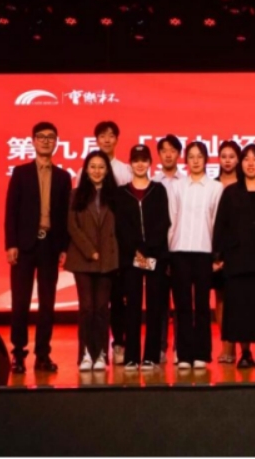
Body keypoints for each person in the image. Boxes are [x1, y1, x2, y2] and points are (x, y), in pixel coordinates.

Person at [4, 122, 71, 374]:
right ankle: (18, 353)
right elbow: (11, 210)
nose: (45, 141)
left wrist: (64, 247)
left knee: (47, 303)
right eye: (41, 137)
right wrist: (10, 243)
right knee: (20, 302)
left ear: (56, 142)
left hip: (50, 245)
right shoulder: (20, 173)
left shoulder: (63, 177)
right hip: (23, 246)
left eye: (50, 137)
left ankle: (43, 354)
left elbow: (64, 216)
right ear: (33, 141)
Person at [213, 144, 255, 368]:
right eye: (246, 159)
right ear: (240, 164)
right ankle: (244, 353)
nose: (250, 163)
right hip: (238, 260)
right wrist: (218, 256)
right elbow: (221, 226)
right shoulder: (231, 192)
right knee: (241, 310)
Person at [168, 141, 224, 370]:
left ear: (206, 159)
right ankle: (183, 354)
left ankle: (202, 353)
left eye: (199, 156)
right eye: (191, 156)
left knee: (202, 305)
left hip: (204, 251)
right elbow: (171, 219)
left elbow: (217, 223)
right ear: (186, 160)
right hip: (179, 251)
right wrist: (168, 252)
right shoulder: (177, 187)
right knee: (182, 305)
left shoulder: (215, 188)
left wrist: (217, 255)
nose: (195, 160)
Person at [115, 145, 171, 372]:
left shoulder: (158, 190)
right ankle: (131, 356)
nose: (140, 164)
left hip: (155, 256)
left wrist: (149, 250)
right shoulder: (122, 192)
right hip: (130, 258)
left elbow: (163, 222)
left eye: (144, 160)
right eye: (136, 160)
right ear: (130, 164)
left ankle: (151, 356)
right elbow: (121, 226)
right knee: (132, 306)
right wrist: (136, 250)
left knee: (155, 306)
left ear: (150, 163)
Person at [65, 151, 119, 372]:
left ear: (107, 171)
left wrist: (107, 253)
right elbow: (72, 227)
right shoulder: (75, 195)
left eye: (101, 167)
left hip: (108, 260)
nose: (97, 171)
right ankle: (86, 354)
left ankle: (101, 354)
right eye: (93, 166)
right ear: (86, 170)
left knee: (102, 309)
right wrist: (90, 251)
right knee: (87, 308)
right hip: (82, 259)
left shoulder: (115, 196)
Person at [92, 121, 132, 366]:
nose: (107, 140)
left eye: (111, 136)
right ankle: (96, 348)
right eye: (102, 136)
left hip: (118, 246)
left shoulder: (125, 170)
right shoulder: (87, 169)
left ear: (117, 139)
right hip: (93, 247)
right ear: (96, 140)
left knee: (118, 298)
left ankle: (119, 343)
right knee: (95, 302)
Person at [154, 134, 185, 365]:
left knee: (182, 301)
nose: (168, 154)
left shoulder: (187, 183)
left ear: (179, 154)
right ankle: (160, 348)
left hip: (181, 248)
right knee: (159, 303)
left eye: (172, 150)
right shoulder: (152, 183)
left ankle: (180, 349)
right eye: (164, 150)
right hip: (157, 250)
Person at [214, 140, 241, 365]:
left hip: (241, 248)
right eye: (223, 156)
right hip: (218, 247)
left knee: (241, 298)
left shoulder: (246, 183)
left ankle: (244, 347)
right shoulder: (212, 185)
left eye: (232, 156)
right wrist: (216, 254)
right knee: (221, 298)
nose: (227, 160)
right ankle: (227, 346)